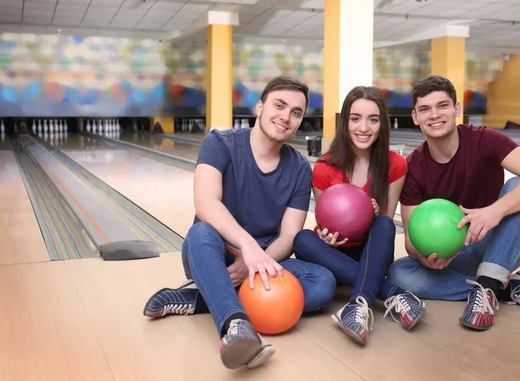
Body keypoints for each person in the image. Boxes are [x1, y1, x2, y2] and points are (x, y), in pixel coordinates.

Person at [142, 76, 337, 369]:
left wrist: (256, 261)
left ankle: (202, 298)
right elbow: (206, 204)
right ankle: (236, 325)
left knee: (322, 283)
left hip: (265, 262)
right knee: (201, 232)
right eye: (279, 105)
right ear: (260, 107)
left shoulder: (298, 168)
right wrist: (248, 249)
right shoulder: (220, 143)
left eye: (296, 112)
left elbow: (289, 236)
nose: (286, 116)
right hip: (215, 253)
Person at [387, 75, 520, 331]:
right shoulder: (413, 167)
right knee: (399, 272)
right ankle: (500, 288)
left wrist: (494, 212)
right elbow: (411, 241)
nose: (434, 114)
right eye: (425, 109)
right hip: (453, 254)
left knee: (518, 185)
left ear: (457, 109)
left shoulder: (483, 139)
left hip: (495, 245)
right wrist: (424, 258)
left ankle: (491, 282)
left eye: (442, 105)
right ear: (415, 117)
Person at [292, 86, 426, 346]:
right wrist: (329, 237)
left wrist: (372, 215)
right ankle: (391, 293)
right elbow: (325, 221)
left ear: (382, 124)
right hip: (334, 252)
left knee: (385, 223)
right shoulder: (324, 168)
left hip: (371, 252)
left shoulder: (396, 165)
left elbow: (384, 227)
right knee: (302, 239)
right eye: (355, 118)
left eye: (372, 120)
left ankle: (357, 304)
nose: (363, 128)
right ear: (345, 122)